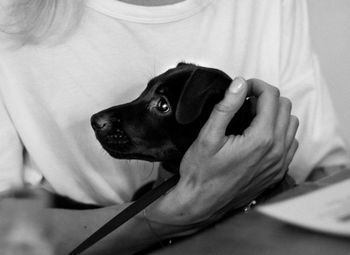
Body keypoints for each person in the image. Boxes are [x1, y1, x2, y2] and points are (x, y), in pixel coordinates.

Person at [0, 0, 347, 254]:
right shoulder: (11, 19)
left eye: (161, 104)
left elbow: (326, 170)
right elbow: (7, 235)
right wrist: (170, 214)